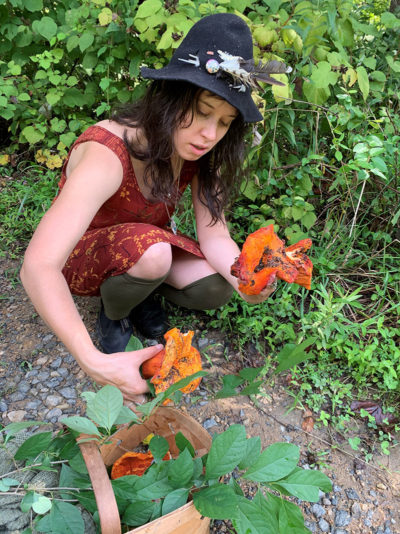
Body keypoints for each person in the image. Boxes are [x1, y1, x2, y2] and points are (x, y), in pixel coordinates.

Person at [20, 13, 288, 402]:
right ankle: (114, 314)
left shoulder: (199, 154)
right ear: (170, 95)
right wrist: (90, 359)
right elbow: (38, 265)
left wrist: (248, 282)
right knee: (156, 253)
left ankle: (140, 294)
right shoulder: (108, 152)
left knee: (217, 282)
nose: (210, 134)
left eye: (225, 121)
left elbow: (216, 235)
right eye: (201, 110)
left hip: (144, 246)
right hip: (84, 255)